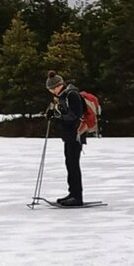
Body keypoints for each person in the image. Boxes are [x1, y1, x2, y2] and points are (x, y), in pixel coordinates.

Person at [46, 70, 86, 206]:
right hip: (68, 135)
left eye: (52, 88)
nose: (52, 91)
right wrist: (53, 113)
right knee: (69, 164)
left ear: (59, 85)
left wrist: (58, 115)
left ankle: (77, 197)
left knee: (73, 164)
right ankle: (72, 193)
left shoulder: (72, 94)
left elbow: (75, 115)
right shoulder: (62, 96)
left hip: (76, 135)